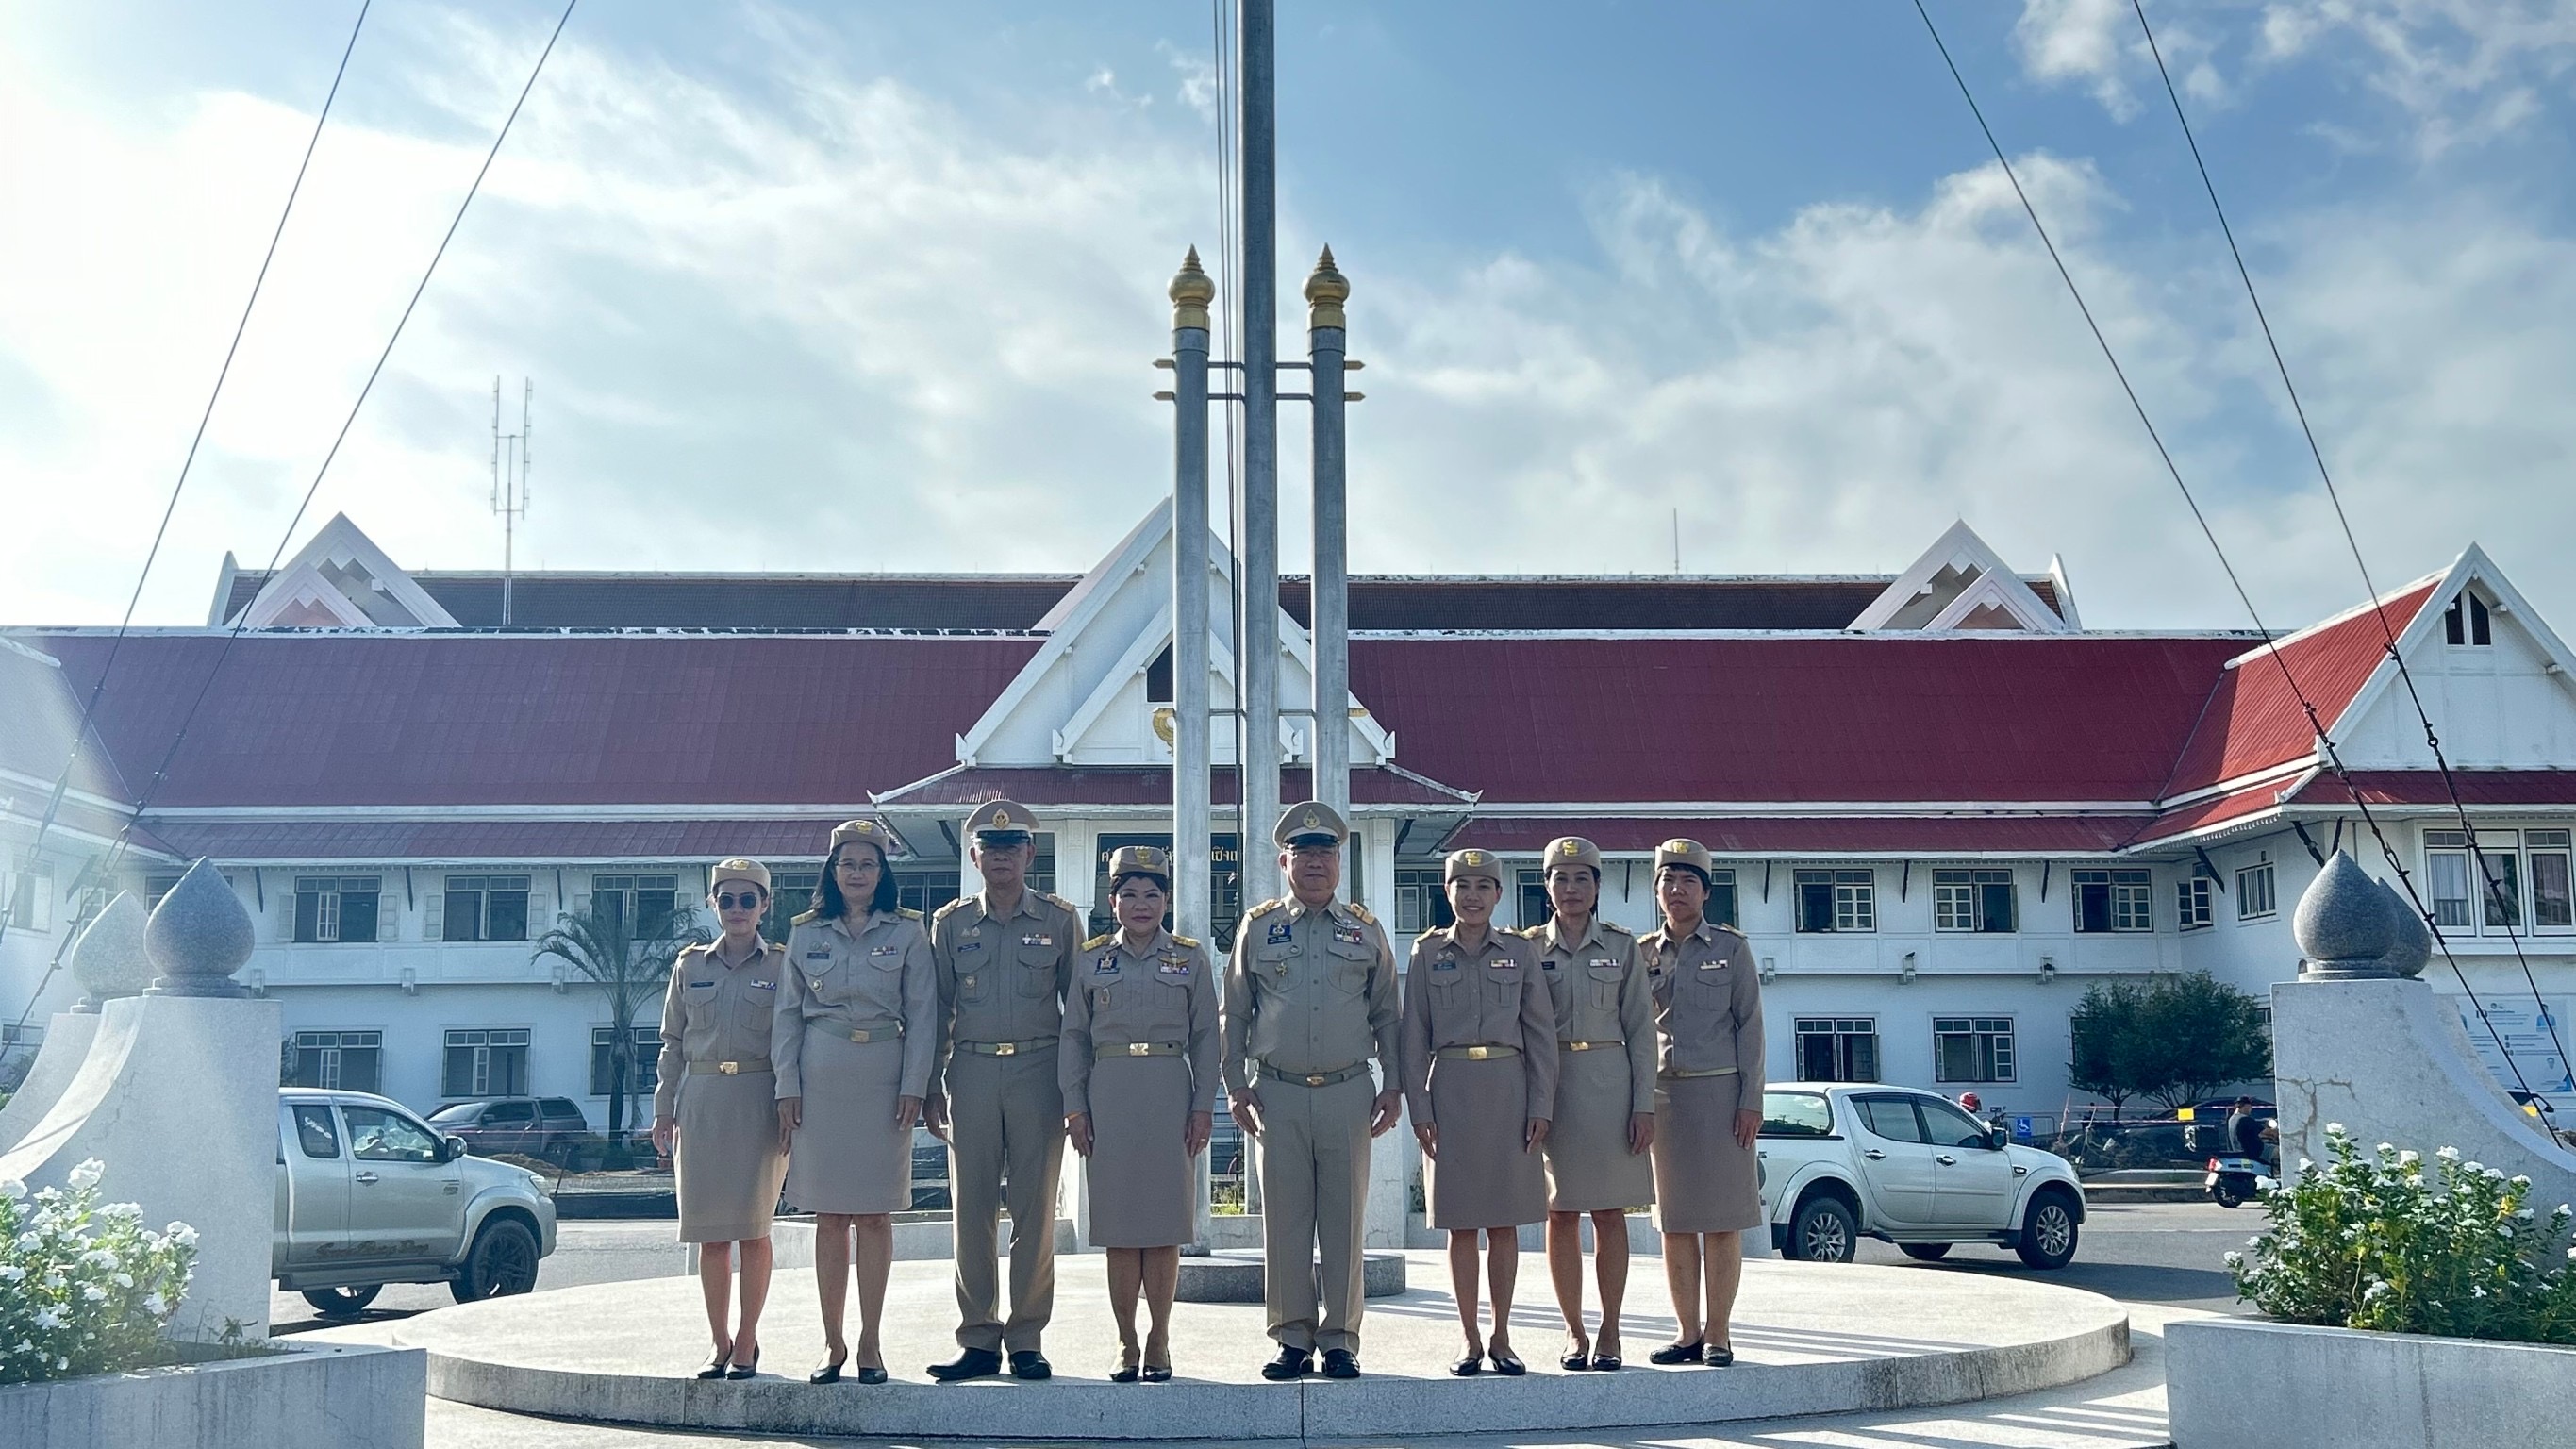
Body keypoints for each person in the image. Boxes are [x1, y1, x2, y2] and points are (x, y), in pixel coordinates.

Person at [1222, 800, 1403, 1382]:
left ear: (1339, 862)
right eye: (1304, 852)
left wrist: (1394, 1083)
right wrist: (1233, 1084)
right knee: (1287, 1220)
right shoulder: (1260, 925)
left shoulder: (1366, 929)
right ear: (1284, 861)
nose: (1316, 862)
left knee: (1345, 1220)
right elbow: (1236, 1013)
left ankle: (1342, 1338)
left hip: (1349, 1091)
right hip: (1276, 1092)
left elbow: (1388, 1017)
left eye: (1326, 851)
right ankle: (1292, 1337)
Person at [925, 799, 1083, 1382]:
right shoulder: (951, 924)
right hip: (969, 1071)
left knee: (1035, 1211)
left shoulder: (1060, 921)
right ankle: (978, 1338)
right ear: (974, 856)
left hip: (1039, 1073)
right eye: (990, 849)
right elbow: (937, 1010)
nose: (1000, 858)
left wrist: (1075, 1091)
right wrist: (930, 1084)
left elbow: (1078, 1016)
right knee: (971, 1211)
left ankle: (1026, 1337)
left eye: (1011, 848)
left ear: (1029, 855)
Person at [774, 817, 936, 1386]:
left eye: (869, 863)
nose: (858, 873)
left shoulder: (910, 933)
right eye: (848, 864)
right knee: (830, 1216)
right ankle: (832, 1342)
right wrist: (785, 1085)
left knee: (874, 1213)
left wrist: (916, 1083)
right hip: (820, 1075)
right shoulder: (806, 933)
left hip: (884, 1079)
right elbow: (787, 1016)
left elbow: (923, 1016)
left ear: (882, 871)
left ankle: (870, 1341)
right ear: (833, 870)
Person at [1061, 845, 1219, 1382]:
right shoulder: (1091, 959)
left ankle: (1160, 1338)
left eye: (1152, 894)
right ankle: (1126, 1341)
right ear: (1113, 902)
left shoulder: (1191, 959)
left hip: (1170, 1093)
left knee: (1164, 1226)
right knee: (1121, 1227)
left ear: (1166, 901)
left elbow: (1206, 1037)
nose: (1141, 904)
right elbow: (1074, 1038)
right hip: (1109, 1094)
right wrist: (1075, 1108)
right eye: (1129, 894)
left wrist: (1203, 1106)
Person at [1402, 847, 1556, 1376]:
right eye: (1461, 887)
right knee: (1460, 1225)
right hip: (1450, 1093)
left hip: (1509, 1091)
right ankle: (1468, 1338)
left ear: (1498, 894)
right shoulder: (1426, 953)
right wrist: (1419, 1107)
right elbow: (1413, 1036)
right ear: (1447, 893)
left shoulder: (1520, 950)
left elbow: (1541, 1036)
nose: (1471, 897)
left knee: (1505, 1224)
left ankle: (1503, 1336)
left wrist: (1541, 1103)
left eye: (1482, 887)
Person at [652, 858, 791, 1381]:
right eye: (726, 900)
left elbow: (791, 1042)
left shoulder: (782, 965)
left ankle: (748, 1342)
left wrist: (790, 1103)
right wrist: (664, 1109)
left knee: (755, 1232)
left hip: (761, 1099)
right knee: (711, 1234)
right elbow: (670, 1043)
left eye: (747, 900)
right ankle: (719, 1341)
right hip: (703, 1100)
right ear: (713, 905)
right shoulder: (690, 966)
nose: (737, 910)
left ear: (764, 906)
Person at [1525, 836, 1655, 1373]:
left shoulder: (1623, 948)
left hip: (1609, 1083)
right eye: (1562, 877)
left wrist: (1643, 1103)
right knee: (1559, 1213)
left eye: (1583, 878)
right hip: (1549, 1085)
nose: (1572, 888)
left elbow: (1642, 1031)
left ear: (1598, 887)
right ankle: (1573, 1330)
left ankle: (1610, 1329)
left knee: (1608, 1212)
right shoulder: (1528, 947)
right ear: (1547, 885)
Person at [1638, 839, 1765, 1369]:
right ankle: (1687, 1331)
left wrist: (1750, 1101)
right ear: (1657, 890)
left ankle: (1720, 1333)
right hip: (1666, 1097)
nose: (1677, 890)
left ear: (1706, 891)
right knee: (1675, 1220)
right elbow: (1633, 1032)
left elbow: (1751, 1027)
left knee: (1722, 1220)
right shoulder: (1641, 953)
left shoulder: (1732, 950)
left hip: (1721, 1096)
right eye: (1668, 880)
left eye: (1688, 881)